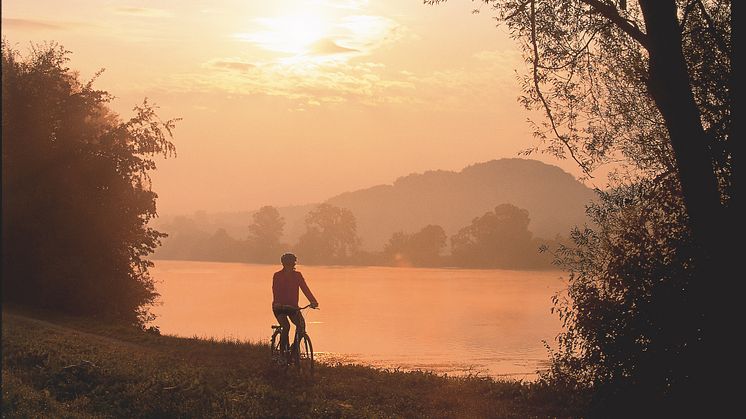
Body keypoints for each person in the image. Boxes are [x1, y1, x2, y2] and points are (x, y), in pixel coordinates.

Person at [272, 252, 319, 356]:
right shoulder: (277, 276)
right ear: (284, 265)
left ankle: (294, 350)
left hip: (293, 307)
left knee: (301, 326)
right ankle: (282, 353)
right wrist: (278, 303)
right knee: (286, 326)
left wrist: (313, 301)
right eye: (288, 264)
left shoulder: (297, 276)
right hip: (279, 308)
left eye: (292, 264)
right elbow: (275, 290)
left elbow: (305, 288)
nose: (291, 267)